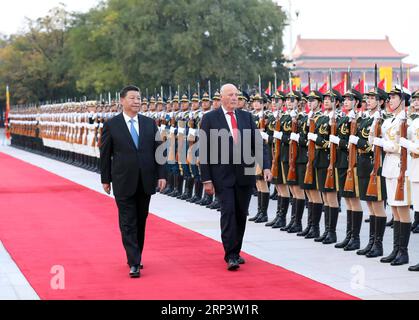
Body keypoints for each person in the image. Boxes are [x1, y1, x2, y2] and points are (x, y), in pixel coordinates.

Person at [200, 84, 272, 271]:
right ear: (221, 97)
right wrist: (206, 179)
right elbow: (205, 151)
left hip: (245, 174)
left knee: (241, 213)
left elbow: (258, 143)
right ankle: (230, 254)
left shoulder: (246, 117)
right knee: (228, 212)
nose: (234, 98)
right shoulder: (209, 118)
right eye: (230, 95)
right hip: (221, 175)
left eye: (236, 95)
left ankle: (236, 250)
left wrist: (265, 166)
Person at [100, 85, 166, 278]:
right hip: (123, 180)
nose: (137, 101)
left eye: (138, 98)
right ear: (122, 101)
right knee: (127, 221)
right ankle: (134, 261)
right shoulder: (112, 125)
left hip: (146, 180)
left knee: (140, 220)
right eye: (132, 98)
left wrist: (162, 175)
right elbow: (105, 154)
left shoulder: (149, 123)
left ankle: (136, 254)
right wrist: (105, 179)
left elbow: (159, 151)